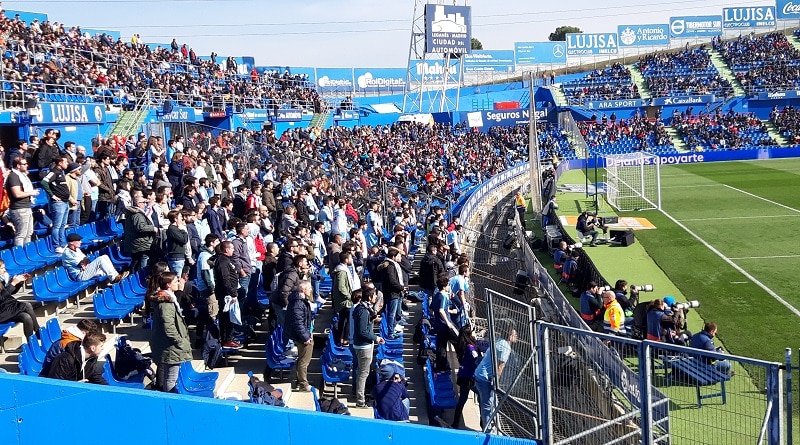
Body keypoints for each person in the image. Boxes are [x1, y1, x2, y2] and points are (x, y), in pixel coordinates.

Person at [149, 271, 193, 392]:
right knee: (171, 379)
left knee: (170, 377)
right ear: (168, 285)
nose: (178, 283)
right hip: (170, 346)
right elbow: (169, 327)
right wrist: (179, 341)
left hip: (168, 345)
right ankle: (170, 402)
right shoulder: (165, 302)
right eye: (175, 281)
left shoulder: (168, 299)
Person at [474, 322, 517, 430]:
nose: (516, 336)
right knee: (488, 406)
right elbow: (500, 367)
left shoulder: (498, 341)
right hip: (485, 378)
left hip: (479, 374)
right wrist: (496, 383)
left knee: (487, 403)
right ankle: (488, 431)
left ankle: (485, 425)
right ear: (509, 335)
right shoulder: (506, 347)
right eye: (514, 334)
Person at [351, 287, 385, 407]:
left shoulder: (363, 309)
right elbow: (363, 332)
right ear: (369, 298)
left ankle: (362, 396)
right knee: (363, 373)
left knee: (363, 372)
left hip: (362, 345)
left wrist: (372, 319)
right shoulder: (363, 311)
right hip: (363, 347)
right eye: (374, 296)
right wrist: (376, 338)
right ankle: (360, 401)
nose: (376, 298)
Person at [44, 331, 108, 385]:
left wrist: (109, 389)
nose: (102, 348)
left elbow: (95, 376)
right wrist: (76, 384)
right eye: (101, 346)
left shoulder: (92, 358)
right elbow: (56, 383)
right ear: (92, 348)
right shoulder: (65, 359)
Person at [284, 280, 314, 392]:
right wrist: (305, 337)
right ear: (303, 289)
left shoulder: (299, 301)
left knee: (302, 359)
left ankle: (298, 380)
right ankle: (303, 384)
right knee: (304, 361)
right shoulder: (298, 303)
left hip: (304, 333)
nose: (311, 290)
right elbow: (298, 323)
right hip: (303, 337)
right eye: (309, 288)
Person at [62, 233, 128, 283]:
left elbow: (86, 259)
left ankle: (118, 277)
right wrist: (83, 263)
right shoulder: (67, 253)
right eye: (78, 240)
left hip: (85, 270)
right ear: (71, 243)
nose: (80, 242)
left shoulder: (77, 249)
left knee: (105, 257)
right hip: (80, 275)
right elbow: (80, 263)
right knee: (101, 260)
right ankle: (115, 278)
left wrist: (85, 263)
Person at [5, 156, 39, 246]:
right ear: (18, 166)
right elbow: (17, 194)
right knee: (21, 234)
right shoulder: (14, 176)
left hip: (26, 207)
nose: (27, 166)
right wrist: (31, 192)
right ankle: (20, 255)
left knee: (29, 233)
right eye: (24, 164)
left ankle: (26, 254)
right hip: (19, 208)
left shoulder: (22, 175)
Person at [213, 241, 242, 348]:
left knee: (230, 317)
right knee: (227, 318)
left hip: (229, 293)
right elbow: (225, 279)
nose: (233, 250)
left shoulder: (225, 260)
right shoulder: (222, 261)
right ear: (226, 249)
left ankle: (229, 337)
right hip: (226, 295)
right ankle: (226, 339)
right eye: (232, 248)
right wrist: (233, 293)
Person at [0, 259, 39, 338]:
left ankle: (31, 342)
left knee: (26, 317)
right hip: (2, 312)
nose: (4, 270)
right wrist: (13, 283)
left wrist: (18, 283)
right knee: (26, 305)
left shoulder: (1, 280)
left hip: (5, 308)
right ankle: (38, 332)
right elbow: (1, 297)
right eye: (2, 268)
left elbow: (9, 293)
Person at [452, 324, 480, 429]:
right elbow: (476, 359)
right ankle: (483, 422)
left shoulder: (464, 345)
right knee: (482, 395)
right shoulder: (470, 347)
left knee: (462, 400)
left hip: (463, 375)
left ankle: (455, 423)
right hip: (469, 377)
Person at [431, 273, 458, 372]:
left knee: (441, 346)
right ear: (444, 286)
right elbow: (441, 310)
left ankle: (441, 366)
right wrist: (448, 322)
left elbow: (433, 310)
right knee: (457, 341)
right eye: (448, 285)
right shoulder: (443, 296)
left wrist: (449, 311)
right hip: (445, 325)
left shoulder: (436, 295)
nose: (449, 287)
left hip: (438, 324)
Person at [123, 197, 158, 271]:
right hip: (140, 244)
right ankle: (141, 276)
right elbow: (141, 227)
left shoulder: (135, 213)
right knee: (141, 261)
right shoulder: (137, 215)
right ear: (138, 204)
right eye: (144, 202)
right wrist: (152, 228)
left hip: (138, 243)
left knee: (136, 261)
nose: (145, 204)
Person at [378, 247, 405, 340]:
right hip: (392, 293)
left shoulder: (393, 265)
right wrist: (401, 287)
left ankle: (392, 329)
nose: (400, 257)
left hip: (396, 292)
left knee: (395, 313)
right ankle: (390, 332)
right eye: (398, 256)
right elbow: (392, 281)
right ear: (393, 257)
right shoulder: (390, 266)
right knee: (391, 313)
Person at [331, 251, 354, 346]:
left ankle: (342, 339)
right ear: (346, 259)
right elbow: (341, 287)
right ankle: (344, 339)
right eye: (351, 258)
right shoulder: (341, 271)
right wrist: (349, 297)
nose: (352, 259)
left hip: (345, 300)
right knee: (347, 320)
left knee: (344, 320)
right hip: (344, 301)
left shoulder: (344, 269)